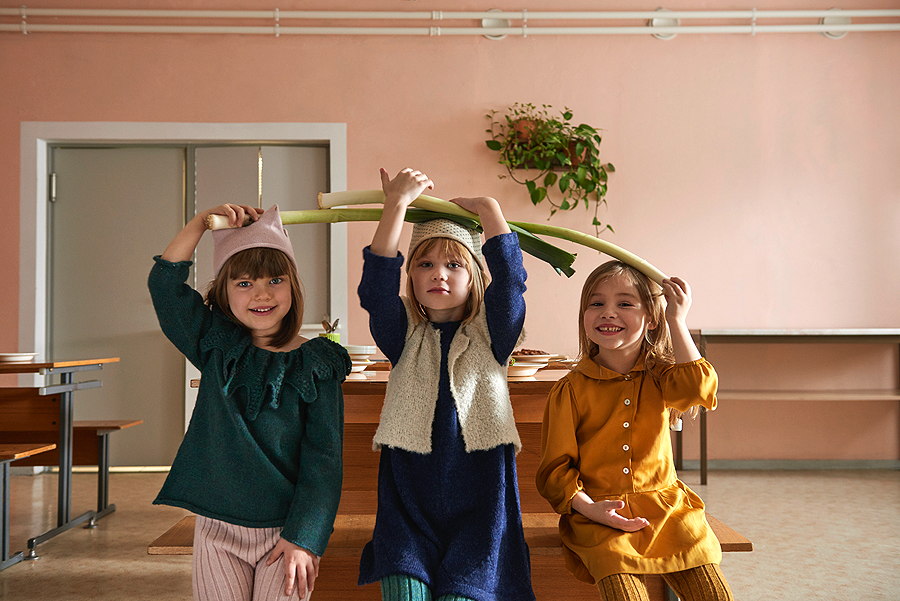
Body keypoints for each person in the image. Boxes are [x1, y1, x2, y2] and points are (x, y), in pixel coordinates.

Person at [148, 204, 350, 601]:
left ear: (293, 285)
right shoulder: (215, 346)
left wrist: (305, 538)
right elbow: (164, 286)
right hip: (217, 529)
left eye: (275, 279)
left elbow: (324, 461)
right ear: (223, 293)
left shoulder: (318, 363)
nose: (261, 293)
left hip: (287, 533)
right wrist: (198, 224)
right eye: (243, 283)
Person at [357, 168, 536, 601]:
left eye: (454, 264)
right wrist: (395, 205)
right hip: (408, 503)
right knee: (404, 592)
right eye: (426, 264)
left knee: (464, 595)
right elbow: (376, 290)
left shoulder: (494, 334)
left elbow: (511, 283)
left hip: (481, 501)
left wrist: (492, 214)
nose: (440, 273)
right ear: (412, 278)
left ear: (474, 275)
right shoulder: (402, 335)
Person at [536, 260, 733, 601]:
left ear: (651, 318)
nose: (608, 313)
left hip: (670, 511)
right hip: (600, 515)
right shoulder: (569, 389)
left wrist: (676, 320)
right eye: (596, 303)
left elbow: (697, 387)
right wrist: (590, 509)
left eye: (625, 303)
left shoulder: (663, 377)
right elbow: (555, 470)